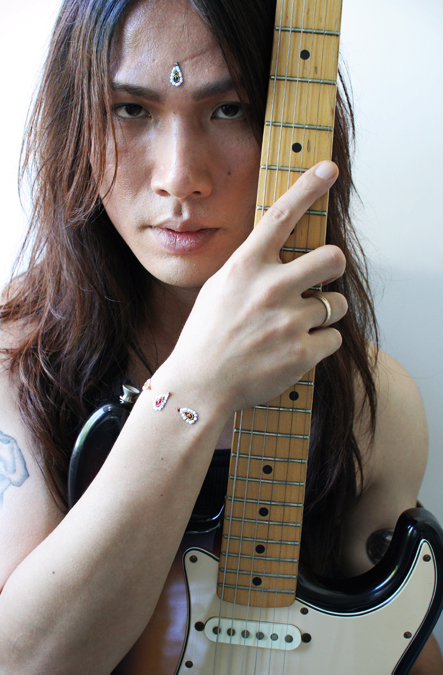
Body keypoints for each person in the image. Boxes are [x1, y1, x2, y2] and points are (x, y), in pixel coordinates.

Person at [0, 0, 441, 671]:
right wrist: (196, 387)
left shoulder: (373, 400)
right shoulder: (16, 364)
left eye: (229, 108)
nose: (180, 178)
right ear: (74, 126)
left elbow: (399, 647)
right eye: (131, 109)